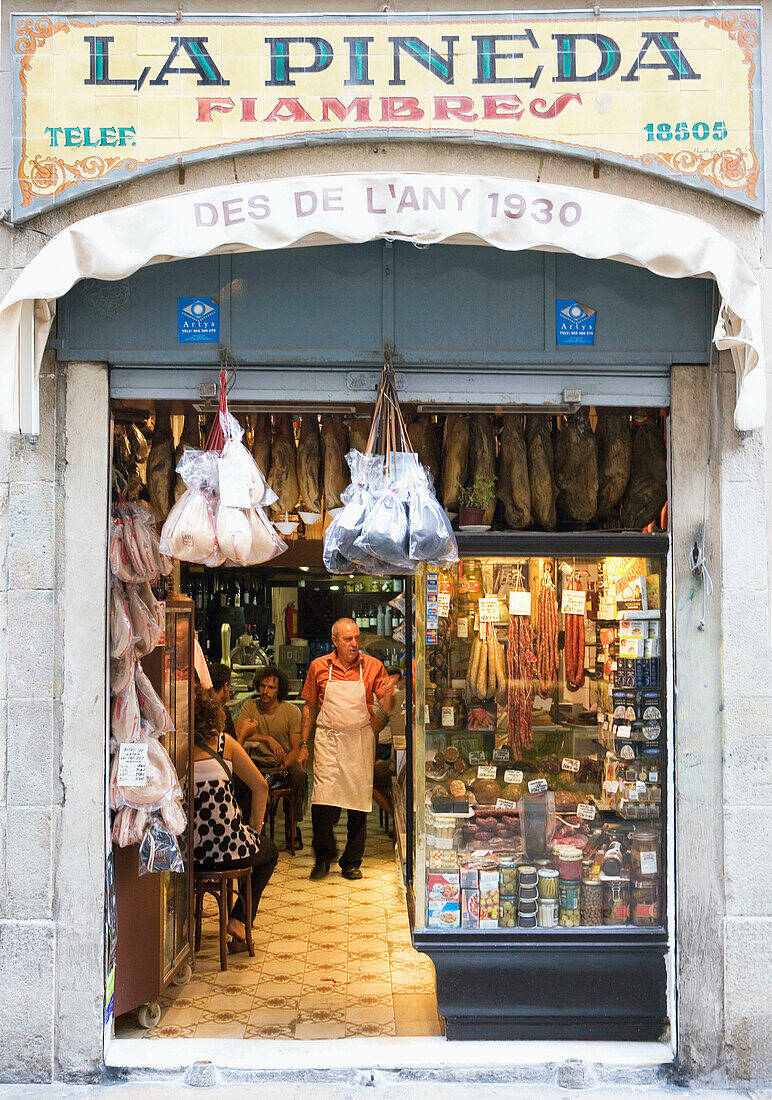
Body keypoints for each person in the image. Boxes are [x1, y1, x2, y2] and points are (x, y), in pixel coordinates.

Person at [300, 618, 398, 881]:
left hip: (359, 741)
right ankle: (323, 856)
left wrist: (373, 727)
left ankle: (352, 862)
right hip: (328, 741)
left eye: (356, 638)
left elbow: (386, 704)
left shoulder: (373, 666)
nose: (354, 643)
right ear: (335, 641)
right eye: (348, 639)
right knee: (323, 800)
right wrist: (302, 745)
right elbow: (309, 707)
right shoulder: (318, 667)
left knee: (359, 803)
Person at [192, 687, 278, 950]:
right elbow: (261, 786)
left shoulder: (183, 749)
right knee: (269, 852)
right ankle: (239, 920)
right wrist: (255, 827)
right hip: (230, 848)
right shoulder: (226, 743)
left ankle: (187, 923)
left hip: (194, 852)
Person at [235, 665, 307, 851]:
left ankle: (293, 826)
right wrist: (267, 739)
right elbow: (239, 733)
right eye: (262, 686)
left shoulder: (291, 711)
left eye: (270, 687)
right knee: (243, 779)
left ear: (279, 689)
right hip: (257, 765)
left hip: (281, 766)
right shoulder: (250, 706)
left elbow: (295, 748)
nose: (265, 691)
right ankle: (256, 829)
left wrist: (283, 763)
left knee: (299, 774)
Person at [208, 662, 252, 822]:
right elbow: (231, 753)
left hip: (202, 767)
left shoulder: (200, 706)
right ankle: (246, 830)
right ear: (226, 686)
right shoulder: (221, 711)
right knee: (248, 785)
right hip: (221, 770)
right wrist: (244, 734)